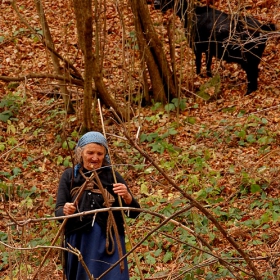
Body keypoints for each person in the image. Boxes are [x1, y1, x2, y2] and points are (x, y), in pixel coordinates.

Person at [55, 131, 140, 280]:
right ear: (81, 153)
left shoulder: (112, 175)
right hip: (79, 241)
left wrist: (127, 197)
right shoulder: (70, 176)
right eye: (90, 153)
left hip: (110, 242)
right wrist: (65, 210)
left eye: (100, 154)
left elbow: (134, 212)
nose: (95, 158)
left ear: (105, 155)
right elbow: (58, 212)